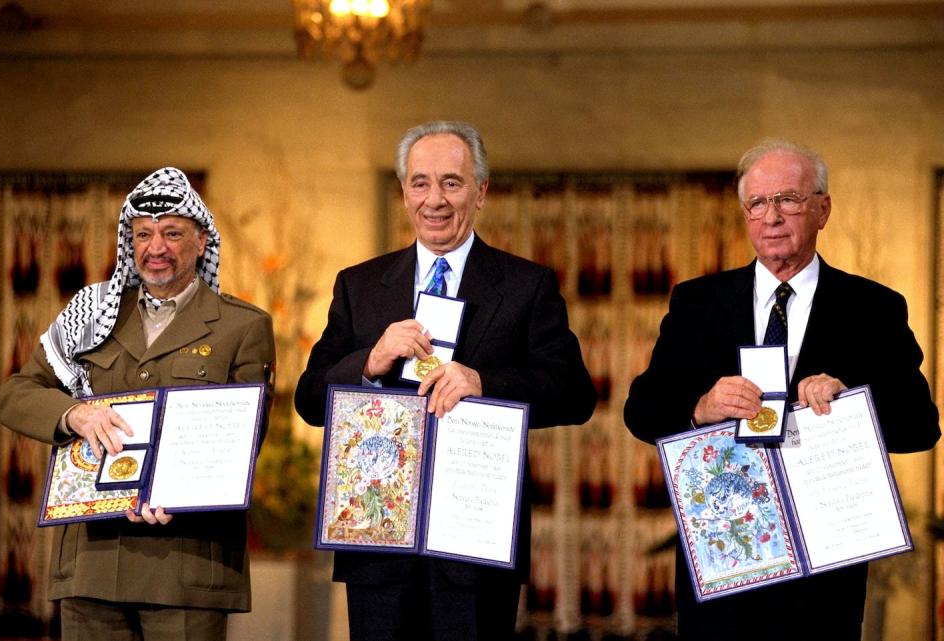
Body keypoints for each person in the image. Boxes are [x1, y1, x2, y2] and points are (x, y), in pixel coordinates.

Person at [623, 139, 940, 641]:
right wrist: (700, 407)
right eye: (758, 203)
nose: (772, 216)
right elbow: (640, 410)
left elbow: (921, 425)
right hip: (723, 563)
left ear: (823, 209)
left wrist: (851, 396)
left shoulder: (873, 307)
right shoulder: (696, 302)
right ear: (745, 213)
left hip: (825, 576)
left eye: (789, 199)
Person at [295, 120, 596, 641]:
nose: (434, 199)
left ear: (480, 192)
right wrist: (370, 361)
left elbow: (574, 392)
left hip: (476, 542)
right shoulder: (359, 285)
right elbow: (309, 399)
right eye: (420, 182)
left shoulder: (527, 285)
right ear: (403, 192)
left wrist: (485, 381)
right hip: (378, 541)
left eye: (451, 183)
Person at [0, 167, 276, 641]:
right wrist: (73, 413)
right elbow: (14, 394)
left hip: (185, 565)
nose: (156, 247)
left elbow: (244, 439)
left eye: (172, 233)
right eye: (143, 234)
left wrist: (179, 492)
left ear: (202, 241)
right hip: (90, 561)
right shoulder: (91, 313)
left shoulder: (241, 326)